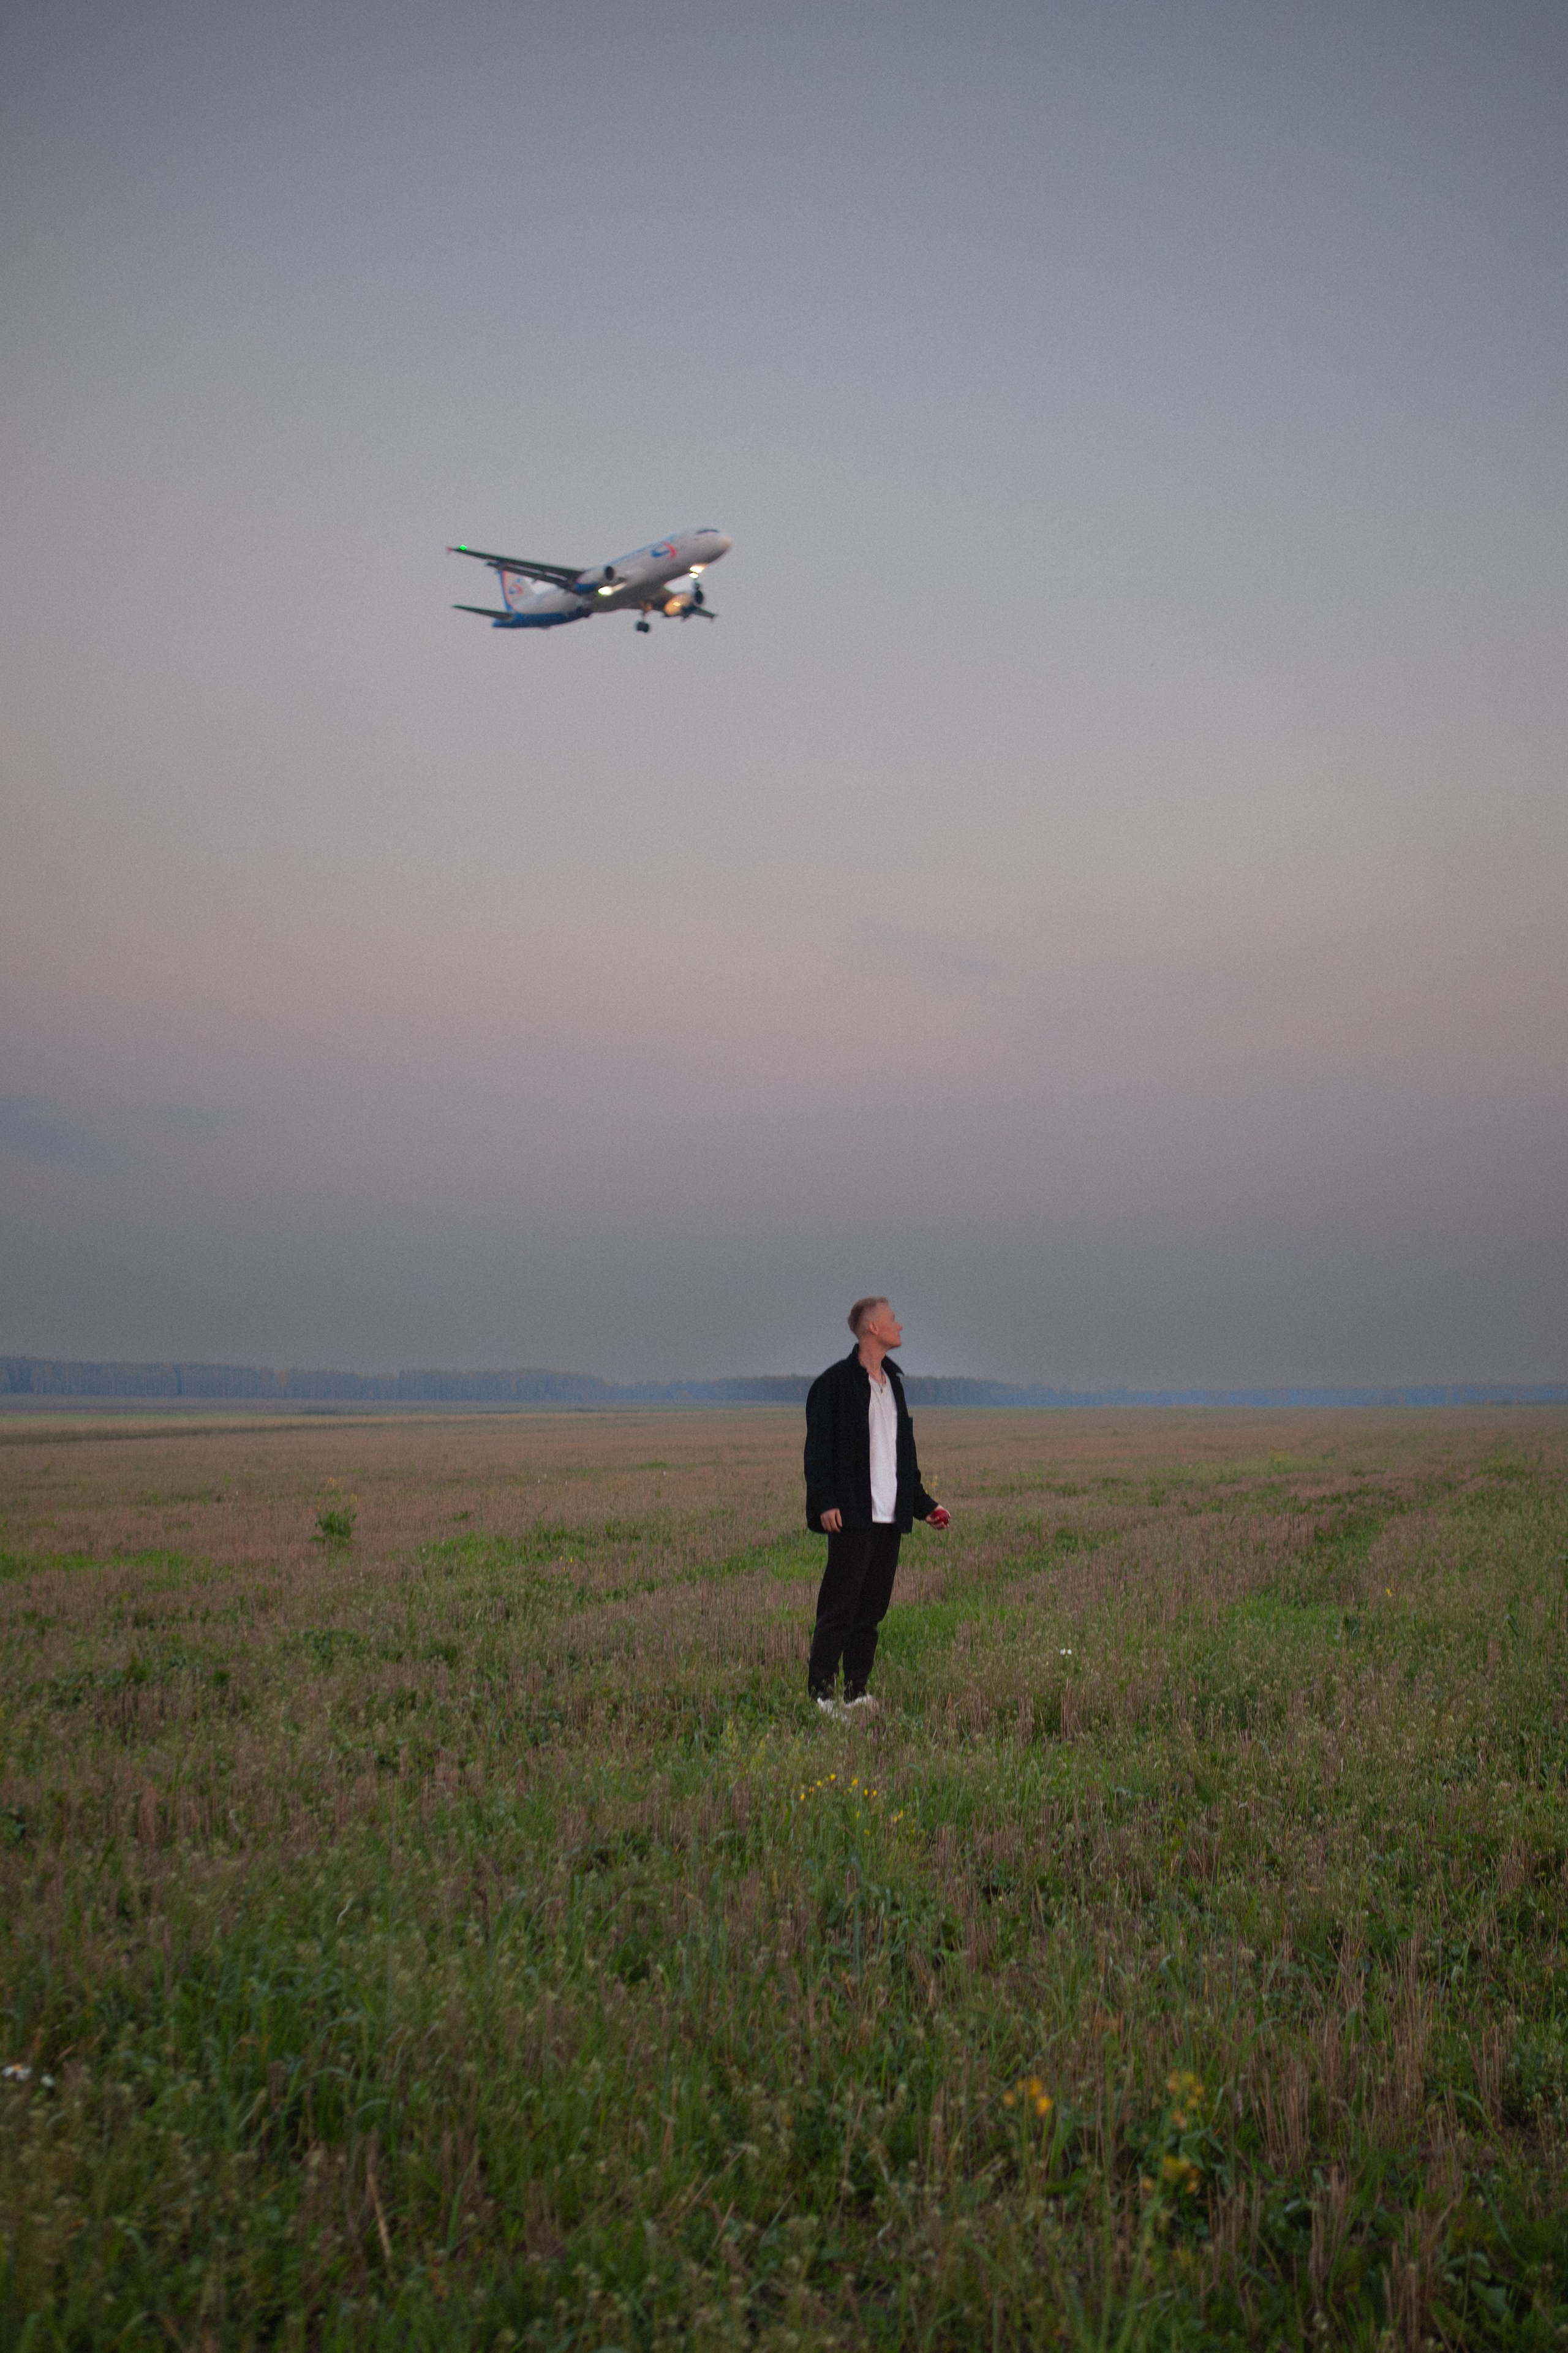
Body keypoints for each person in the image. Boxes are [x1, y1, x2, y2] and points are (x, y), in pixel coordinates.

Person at [803, 1297, 949, 1715]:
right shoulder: (833, 1384)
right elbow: (818, 1450)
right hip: (852, 1514)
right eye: (892, 1320)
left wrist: (923, 1505)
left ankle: (856, 1691)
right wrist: (825, 1499)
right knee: (840, 1608)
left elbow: (905, 1453)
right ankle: (821, 1696)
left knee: (870, 1611)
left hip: (889, 1517)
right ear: (872, 1328)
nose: (899, 1326)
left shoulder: (893, 1384)